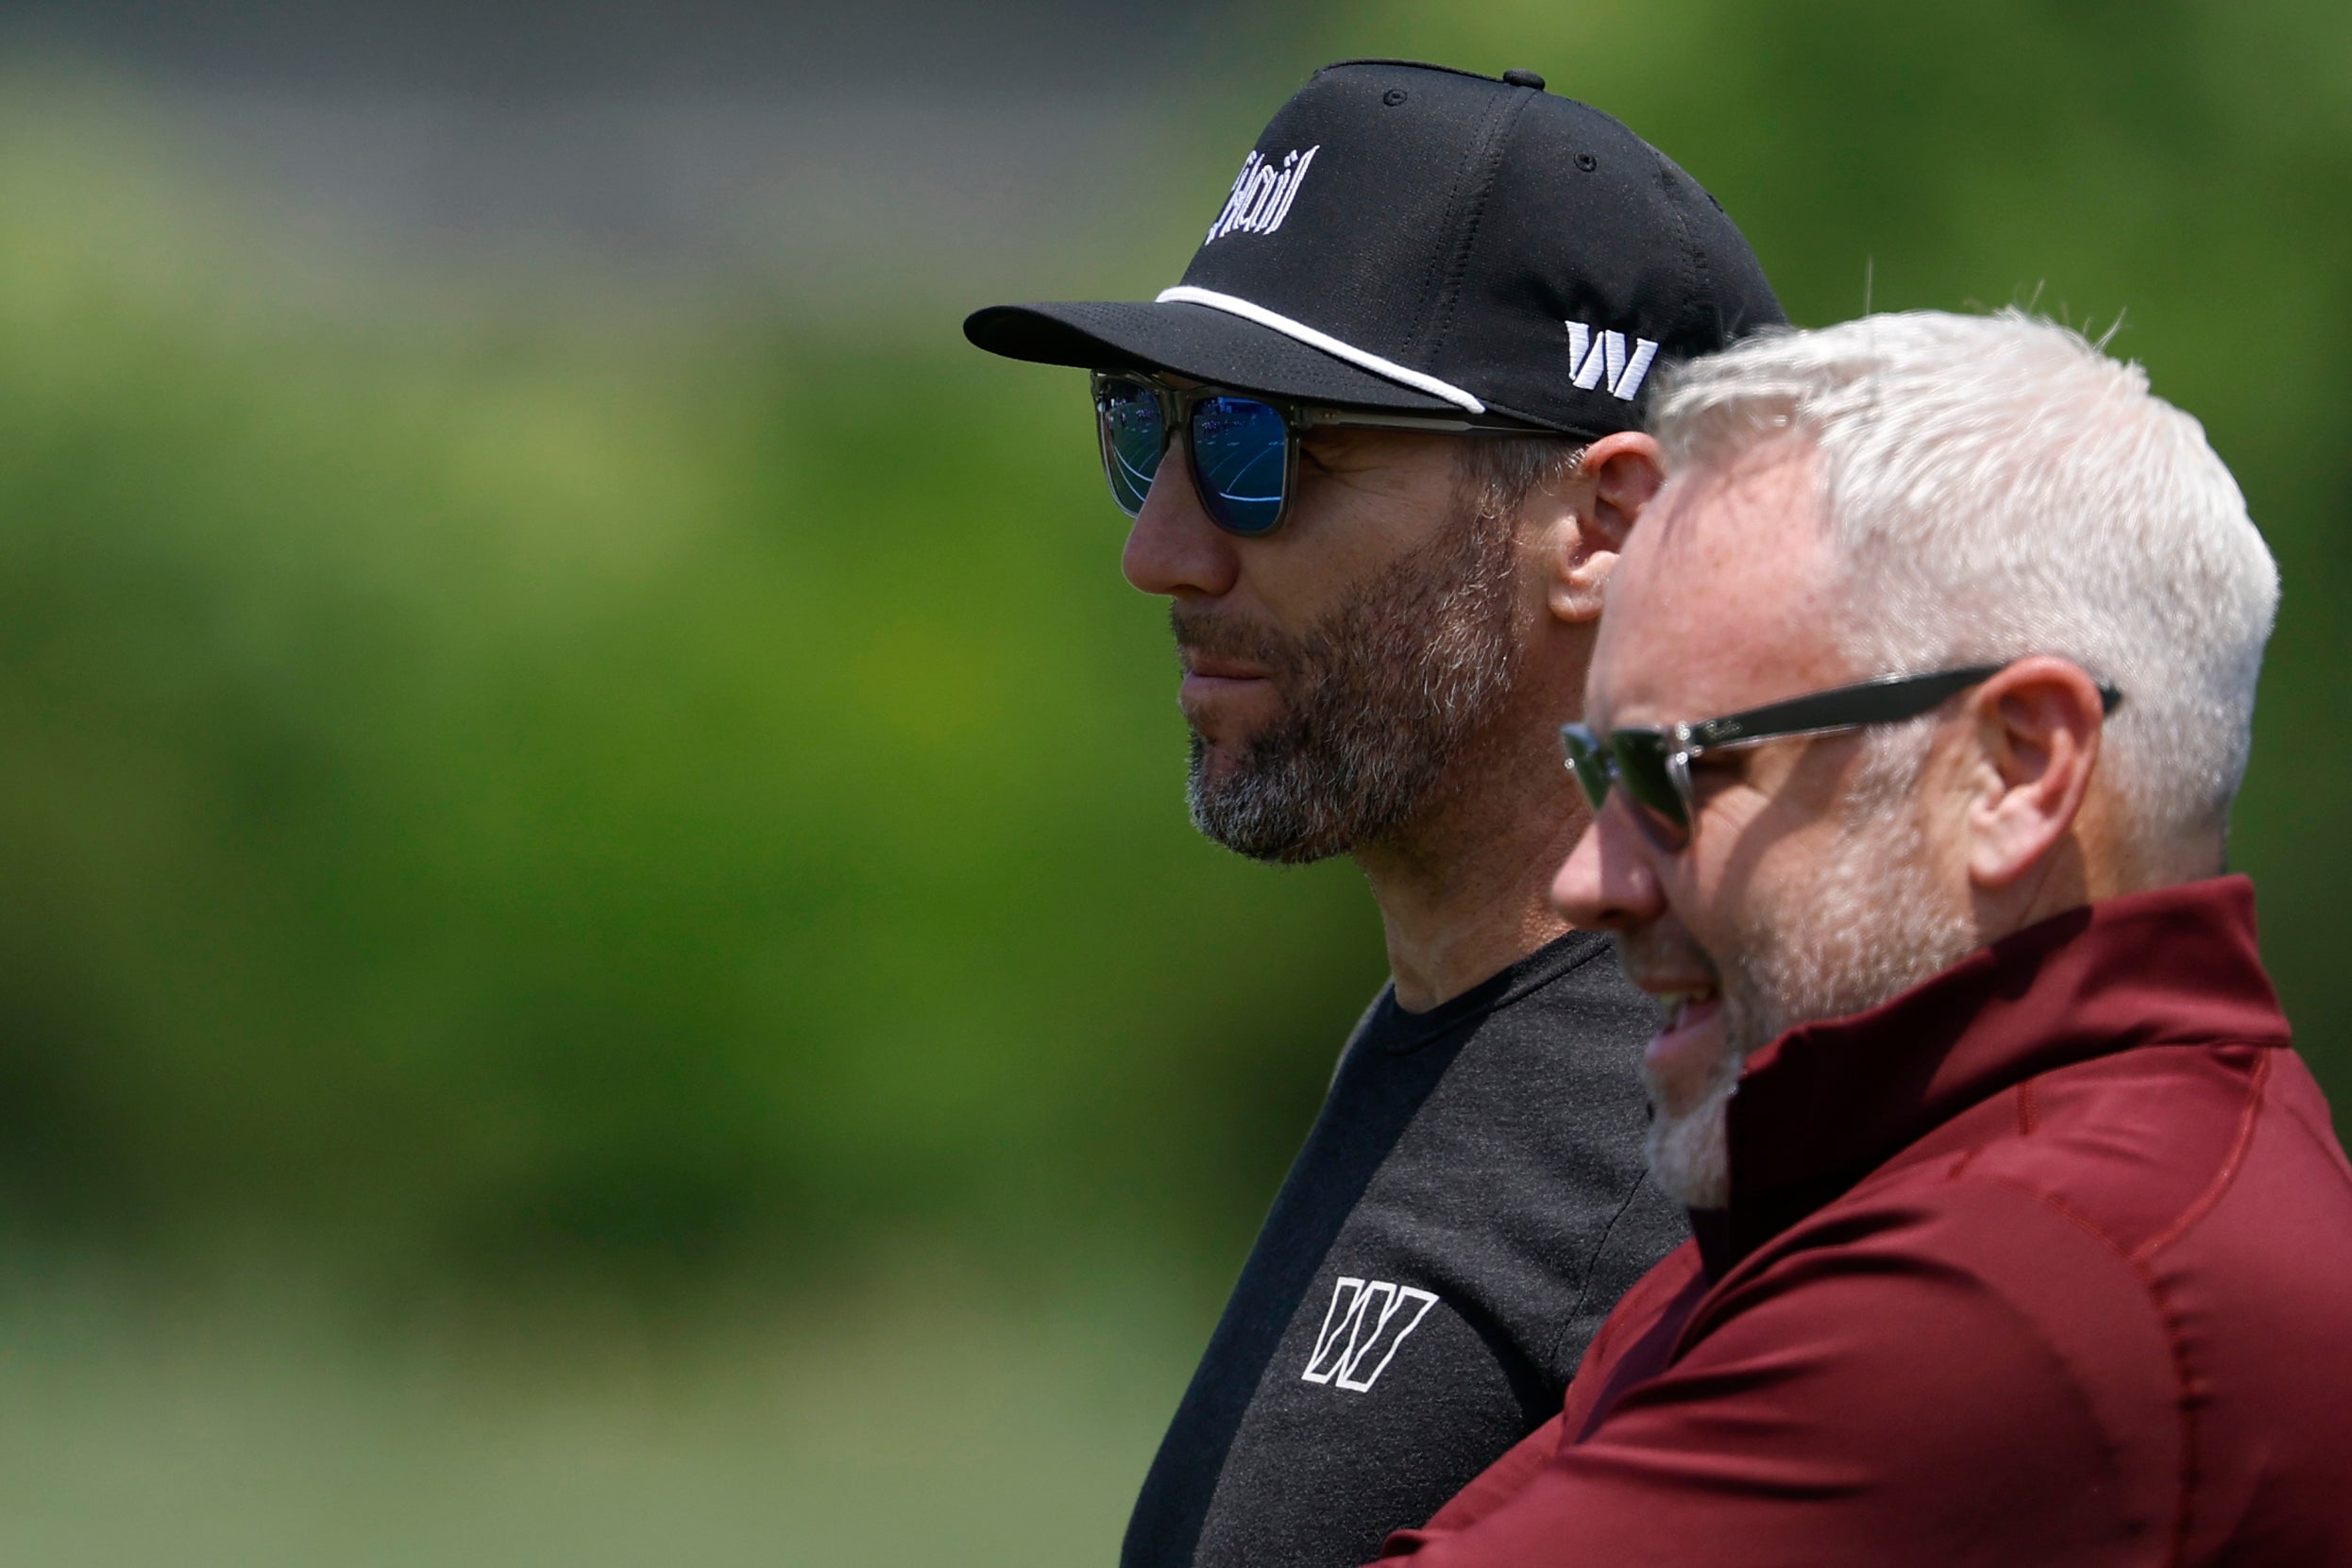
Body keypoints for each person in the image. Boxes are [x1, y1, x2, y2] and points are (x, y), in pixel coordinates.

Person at [962, 59, 1783, 1568]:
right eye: (1148, 429)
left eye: (1264, 448)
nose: (1160, 550)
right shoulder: (1450, 1021)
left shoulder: (1702, 1150)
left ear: (1604, 524)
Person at [1375, 309, 2352, 1566]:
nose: (1591, 875)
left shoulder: (2025, 1287)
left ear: (2016, 769)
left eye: (1679, 768)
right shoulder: (1912, 1188)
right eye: (1594, 766)